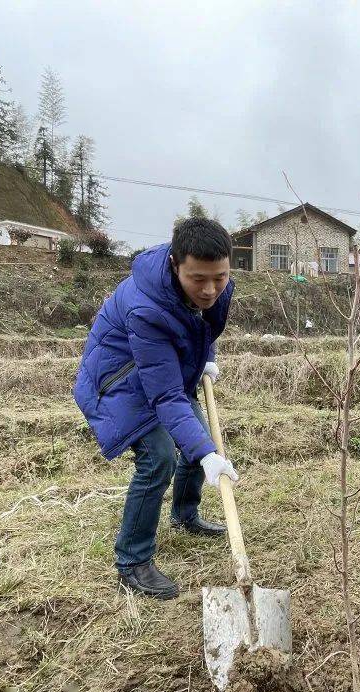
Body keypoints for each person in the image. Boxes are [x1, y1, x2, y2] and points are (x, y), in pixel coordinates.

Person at [73, 217, 239, 599]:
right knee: (161, 456)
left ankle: (185, 515)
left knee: (198, 439)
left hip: (163, 371)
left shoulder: (215, 284)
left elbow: (204, 328)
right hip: (119, 382)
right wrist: (206, 455)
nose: (211, 289)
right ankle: (133, 560)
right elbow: (164, 397)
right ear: (174, 264)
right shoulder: (145, 307)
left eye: (220, 277)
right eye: (198, 279)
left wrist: (206, 356)